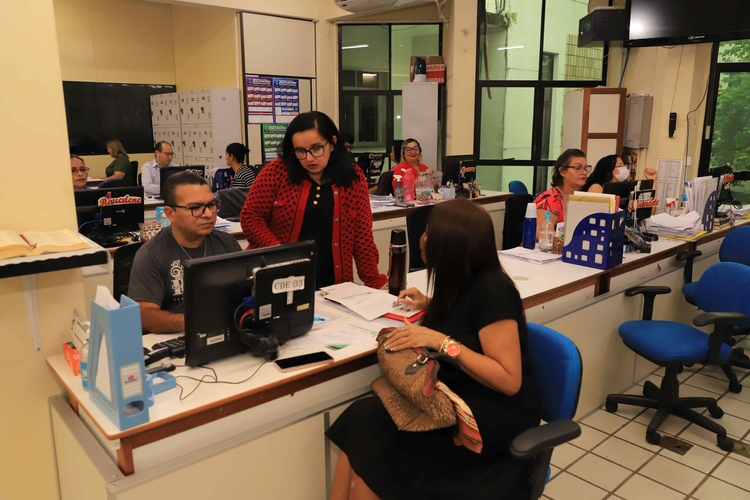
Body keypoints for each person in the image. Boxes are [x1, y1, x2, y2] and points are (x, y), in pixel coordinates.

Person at [326, 199, 542, 500]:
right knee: (361, 417)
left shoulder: (494, 290)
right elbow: (468, 318)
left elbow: (508, 380)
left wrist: (440, 341)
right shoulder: (460, 278)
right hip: (456, 393)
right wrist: (430, 304)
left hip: (490, 413)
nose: (422, 239)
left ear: (453, 244)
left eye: (430, 232)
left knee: (377, 456)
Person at [240, 111, 387, 290]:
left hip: (334, 284)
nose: (309, 158)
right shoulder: (277, 172)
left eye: (317, 148)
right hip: (280, 280)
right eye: (300, 151)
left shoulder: (353, 177)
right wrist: (277, 250)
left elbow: (362, 236)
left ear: (332, 143)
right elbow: (251, 217)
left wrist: (374, 281)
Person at [128, 172, 242, 334]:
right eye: (195, 208)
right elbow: (144, 315)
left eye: (212, 204)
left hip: (226, 331)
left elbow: (245, 289)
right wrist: (196, 321)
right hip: (178, 336)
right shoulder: (151, 254)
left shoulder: (226, 242)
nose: (209, 214)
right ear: (170, 214)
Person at [533, 148, 589, 239]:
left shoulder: (581, 197)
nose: (584, 172)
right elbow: (540, 232)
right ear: (562, 171)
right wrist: (572, 236)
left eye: (586, 168)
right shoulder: (551, 199)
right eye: (578, 168)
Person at [581, 154, 658, 193]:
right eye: (619, 166)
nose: (624, 169)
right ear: (608, 170)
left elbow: (650, 212)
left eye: (624, 165)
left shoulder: (626, 188)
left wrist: (653, 180)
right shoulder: (596, 187)